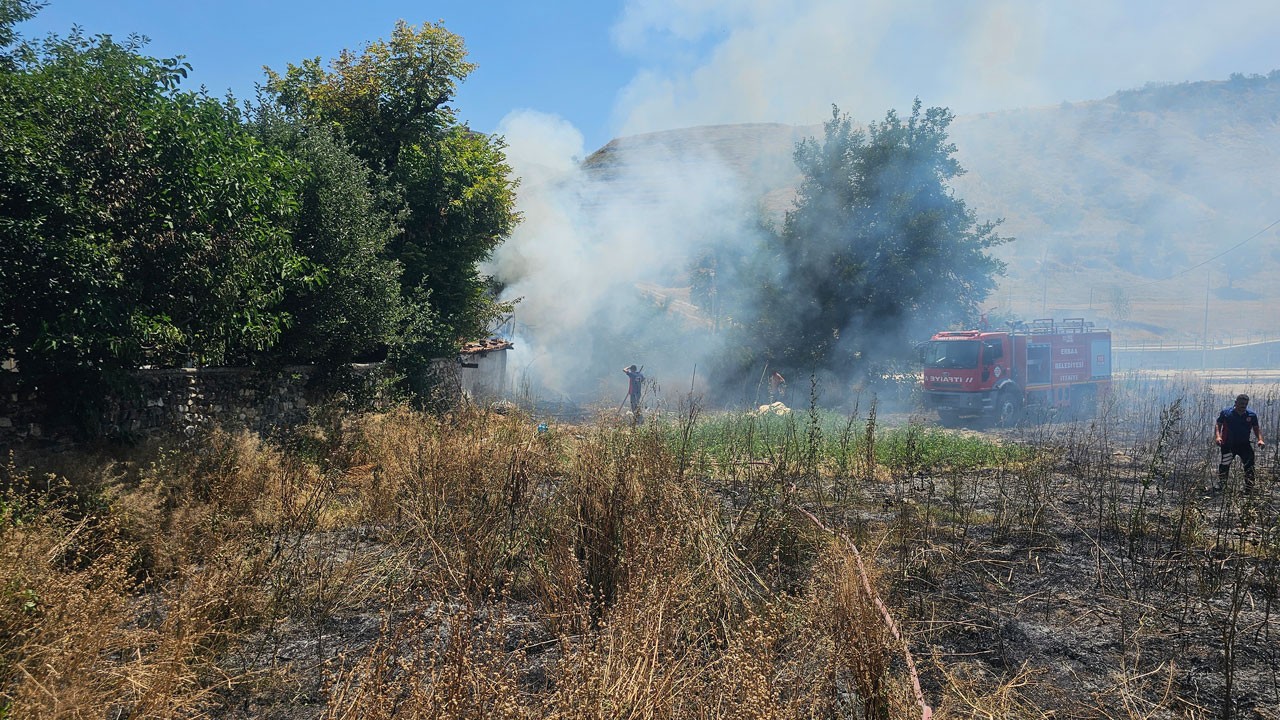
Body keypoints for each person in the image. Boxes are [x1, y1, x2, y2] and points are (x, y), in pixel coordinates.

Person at [1214, 393, 1265, 493]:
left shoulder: (1251, 415)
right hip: (1228, 445)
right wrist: (1218, 437)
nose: (1243, 406)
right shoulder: (1226, 413)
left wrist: (1260, 439)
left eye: (1245, 404)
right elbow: (1218, 425)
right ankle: (1222, 486)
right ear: (1235, 403)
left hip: (1244, 445)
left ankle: (1248, 488)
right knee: (1225, 465)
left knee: (1249, 466)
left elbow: (1256, 429)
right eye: (1241, 403)